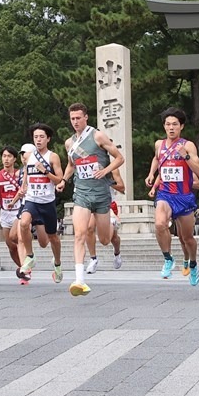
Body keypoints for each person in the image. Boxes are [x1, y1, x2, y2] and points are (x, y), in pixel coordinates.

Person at [58, 103, 125, 296]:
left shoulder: (97, 136)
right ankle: (79, 280)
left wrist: (105, 170)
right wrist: (64, 180)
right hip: (82, 193)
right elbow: (71, 165)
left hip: (102, 194)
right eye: (72, 119)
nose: (75, 122)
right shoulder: (69, 143)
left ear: (86, 117)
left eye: (79, 118)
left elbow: (119, 158)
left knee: (104, 239)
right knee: (80, 233)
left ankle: (114, 236)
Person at [144, 108, 199, 286]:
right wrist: (151, 174)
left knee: (187, 239)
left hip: (184, 196)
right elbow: (157, 158)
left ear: (181, 126)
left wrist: (184, 155)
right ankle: (168, 258)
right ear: (164, 126)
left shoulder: (188, 145)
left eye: (175, 124)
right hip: (165, 194)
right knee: (159, 224)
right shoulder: (159, 144)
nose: (171, 128)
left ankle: (193, 264)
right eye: (168, 124)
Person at [19, 124, 66, 285]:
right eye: (35, 137)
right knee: (24, 223)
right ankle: (30, 256)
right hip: (32, 200)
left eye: (41, 137)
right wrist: (23, 186)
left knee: (53, 237)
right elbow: (26, 172)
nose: (38, 140)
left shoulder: (53, 157)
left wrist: (45, 171)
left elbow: (59, 179)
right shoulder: (29, 156)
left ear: (48, 139)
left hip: (47, 201)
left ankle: (57, 264)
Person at [0, 145, 25, 282]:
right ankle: (23, 266)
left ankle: (25, 267)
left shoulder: (20, 174)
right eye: (4, 156)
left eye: (9, 156)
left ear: (15, 159)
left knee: (17, 238)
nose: (6, 159)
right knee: (10, 245)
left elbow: (26, 188)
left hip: (19, 211)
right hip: (5, 212)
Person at [85, 168, 124, 273]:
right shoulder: (87, 166)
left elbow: (122, 188)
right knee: (89, 227)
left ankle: (117, 252)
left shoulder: (112, 168)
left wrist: (106, 180)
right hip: (93, 202)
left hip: (108, 204)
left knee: (110, 238)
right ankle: (93, 259)